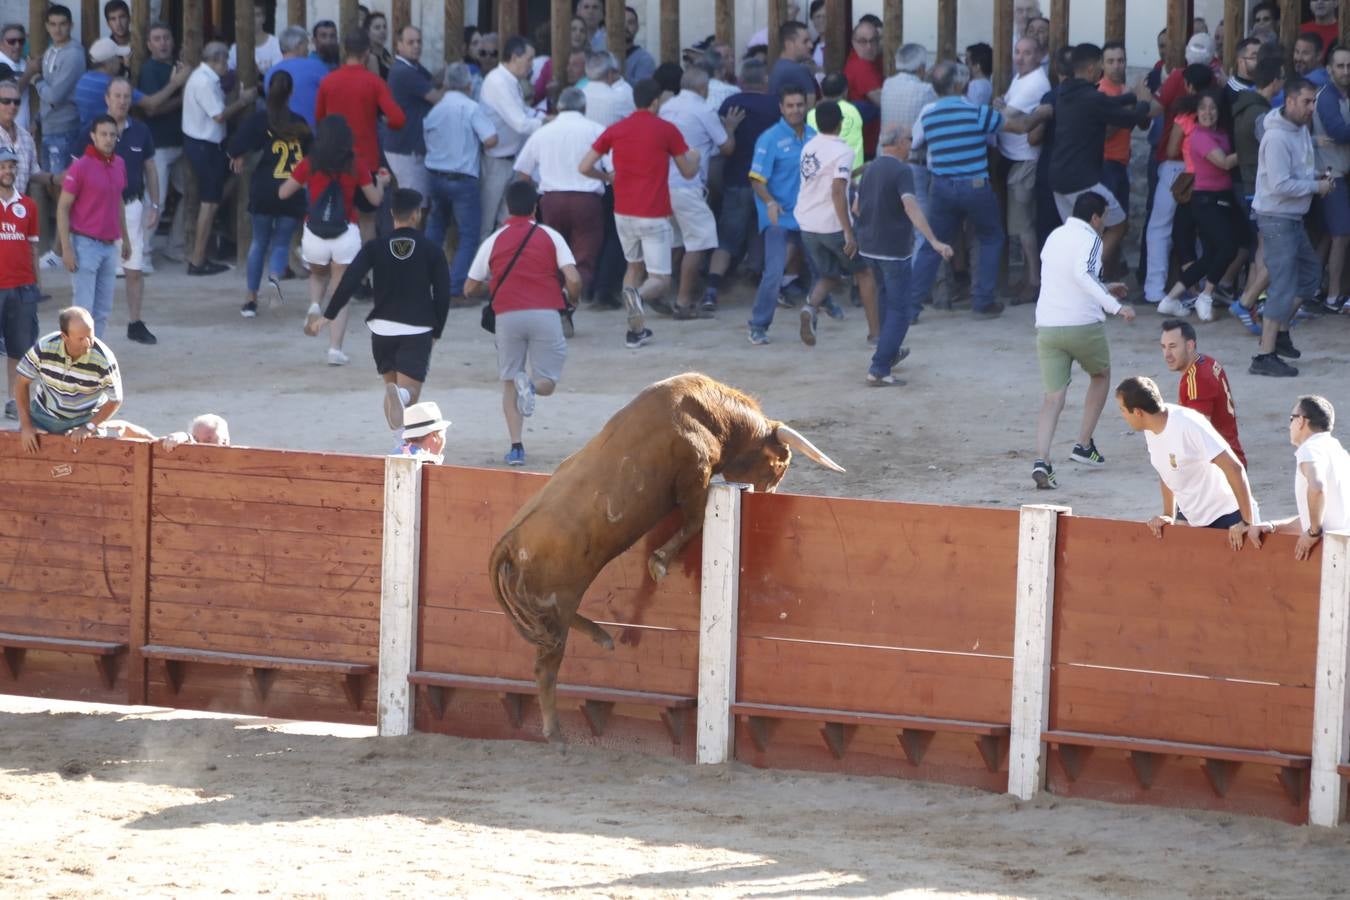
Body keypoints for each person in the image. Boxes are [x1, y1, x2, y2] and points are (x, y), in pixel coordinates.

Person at [911, 61, 1044, 319]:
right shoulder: (977, 113)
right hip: (975, 186)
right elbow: (1022, 126)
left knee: (933, 245)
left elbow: (917, 143)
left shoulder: (928, 115)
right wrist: (1043, 112)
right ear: (961, 85)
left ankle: (911, 307)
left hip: (941, 187)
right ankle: (982, 301)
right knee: (991, 237)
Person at [464, 181, 582, 466]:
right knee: (548, 382)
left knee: (508, 382)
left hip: (507, 315)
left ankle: (516, 447)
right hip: (545, 312)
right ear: (535, 206)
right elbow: (574, 278)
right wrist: (570, 300)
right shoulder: (550, 235)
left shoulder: (494, 239)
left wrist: (493, 285)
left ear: (507, 206)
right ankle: (530, 384)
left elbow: (469, 287)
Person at [310, 189, 450, 429]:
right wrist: (437, 330)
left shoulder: (375, 247)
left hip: (382, 331)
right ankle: (404, 405)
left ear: (392, 213)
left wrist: (328, 315)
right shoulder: (432, 249)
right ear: (416, 215)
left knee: (391, 389)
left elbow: (350, 280)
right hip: (416, 330)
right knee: (409, 394)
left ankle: (397, 443)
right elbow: (443, 295)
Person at [578, 77, 699, 349]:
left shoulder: (617, 129)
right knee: (659, 279)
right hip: (653, 212)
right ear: (655, 102)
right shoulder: (666, 129)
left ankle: (636, 331)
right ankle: (638, 300)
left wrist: (606, 177)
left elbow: (584, 166)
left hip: (623, 211)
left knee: (633, 267)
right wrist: (697, 156)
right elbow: (688, 171)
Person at [1031, 193, 1136, 489]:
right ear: (1095, 218)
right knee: (1101, 375)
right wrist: (1114, 306)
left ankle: (1042, 460)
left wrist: (1104, 288)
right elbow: (1081, 274)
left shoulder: (1054, 236)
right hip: (1083, 326)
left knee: (1053, 398)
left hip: (1048, 327)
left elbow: (1069, 278)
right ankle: (1083, 443)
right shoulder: (1092, 240)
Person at [280, 114, 388, 366]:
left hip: (314, 232)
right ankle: (335, 350)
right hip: (345, 232)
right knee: (341, 293)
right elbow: (374, 201)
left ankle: (315, 304)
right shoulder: (355, 165)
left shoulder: (310, 163)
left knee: (317, 275)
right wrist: (381, 183)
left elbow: (284, 192)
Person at [1115, 375, 1259, 550]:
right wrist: (1169, 513)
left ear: (1138, 412)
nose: (1122, 415)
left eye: (1123, 409)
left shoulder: (1188, 423)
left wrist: (1246, 521)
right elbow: (1165, 469)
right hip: (1196, 520)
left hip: (1230, 516)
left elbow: (1234, 468)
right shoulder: (1151, 428)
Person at [1250, 78, 1333, 377]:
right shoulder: (1276, 138)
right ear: (1289, 101)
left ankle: (1280, 333)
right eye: (1307, 102)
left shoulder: (1299, 129)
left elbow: (1296, 171)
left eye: (1314, 102)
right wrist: (1315, 185)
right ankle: (1264, 355)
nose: (1312, 108)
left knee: (1310, 277)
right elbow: (1280, 184)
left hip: (1291, 218)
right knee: (1283, 286)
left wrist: (1316, 176)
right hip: (1277, 218)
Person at [1047, 44, 1150, 284]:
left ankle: (1073, 281)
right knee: (1118, 224)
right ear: (1094, 67)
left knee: (1077, 235)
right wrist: (1143, 102)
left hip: (1058, 179)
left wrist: (1131, 95)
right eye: (1102, 66)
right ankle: (1087, 275)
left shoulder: (1065, 91)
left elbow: (1104, 102)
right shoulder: (1091, 98)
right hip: (1082, 181)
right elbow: (1131, 118)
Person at [858, 124, 950, 385]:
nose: (911, 144)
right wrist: (933, 240)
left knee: (887, 300)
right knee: (901, 309)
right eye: (909, 139)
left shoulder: (870, 168)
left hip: (870, 248)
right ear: (898, 143)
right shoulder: (901, 170)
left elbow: (856, 206)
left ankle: (888, 353)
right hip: (893, 250)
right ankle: (879, 368)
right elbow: (910, 206)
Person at [72, 78, 157, 344]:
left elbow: (150, 168)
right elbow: (73, 176)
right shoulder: (90, 130)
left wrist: (154, 204)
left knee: (134, 268)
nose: (122, 101)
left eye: (127, 96)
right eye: (117, 96)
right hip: (95, 214)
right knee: (91, 276)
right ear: (107, 98)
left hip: (130, 206)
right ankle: (83, 337)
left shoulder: (141, 131)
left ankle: (134, 321)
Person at [227, 68, 309, 318]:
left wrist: (239, 156)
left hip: (264, 187)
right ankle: (274, 278)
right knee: (281, 242)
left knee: (258, 243)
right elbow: (310, 154)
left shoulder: (259, 120)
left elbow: (235, 146)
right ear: (292, 93)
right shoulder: (300, 123)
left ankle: (251, 298)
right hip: (292, 188)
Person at [658, 66, 737, 318]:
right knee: (698, 242)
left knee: (676, 242)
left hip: (663, 184)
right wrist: (731, 127)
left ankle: (660, 292)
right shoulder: (703, 109)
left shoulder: (666, 107)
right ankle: (683, 302)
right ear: (704, 89)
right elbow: (727, 148)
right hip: (688, 185)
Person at [1153, 91, 1239, 322]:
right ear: (1197, 113)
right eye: (1203, 109)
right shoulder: (1200, 136)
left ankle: (1170, 300)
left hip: (1222, 197)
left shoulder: (1220, 133)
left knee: (1210, 256)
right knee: (1228, 247)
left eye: (1212, 108)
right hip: (1205, 200)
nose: (1208, 113)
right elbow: (1222, 162)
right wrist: (1253, 149)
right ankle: (1206, 295)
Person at [515, 86, 604, 310]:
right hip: (587, 202)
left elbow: (523, 172)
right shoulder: (596, 130)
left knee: (554, 256)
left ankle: (555, 301)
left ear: (558, 107)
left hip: (551, 200)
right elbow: (613, 169)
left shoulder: (543, 132)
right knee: (583, 258)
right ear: (584, 107)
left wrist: (532, 200)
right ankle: (568, 301)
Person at [315, 30, 405, 243]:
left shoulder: (328, 81)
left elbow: (319, 119)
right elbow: (398, 119)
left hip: (335, 160)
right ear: (367, 53)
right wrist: (384, 122)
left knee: (337, 216)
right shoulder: (374, 83)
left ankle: (341, 269)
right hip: (366, 162)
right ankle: (364, 272)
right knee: (367, 221)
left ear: (344, 50)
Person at [703, 59, 779, 310]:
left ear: (741, 81)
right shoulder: (775, 106)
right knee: (763, 232)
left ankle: (711, 290)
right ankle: (757, 279)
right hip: (768, 183)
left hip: (736, 180)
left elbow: (721, 145)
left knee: (727, 239)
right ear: (765, 81)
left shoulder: (730, 104)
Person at [795, 101, 869, 346]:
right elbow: (837, 190)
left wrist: (857, 172)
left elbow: (824, 177)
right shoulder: (843, 150)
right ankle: (876, 334)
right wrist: (849, 232)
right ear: (841, 123)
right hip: (832, 225)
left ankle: (809, 308)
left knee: (829, 275)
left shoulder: (808, 147)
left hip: (807, 223)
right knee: (864, 272)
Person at [745, 85, 813, 345]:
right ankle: (758, 326)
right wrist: (770, 202)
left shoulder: (813, 136)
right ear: (781, 109)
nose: (795, 110)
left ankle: (817, 312)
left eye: (799, 105)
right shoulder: (769, 138)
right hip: (777, 217)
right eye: (790, 106)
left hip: (807, 216)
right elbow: (756, 180)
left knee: (823, 267)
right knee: (774, 272)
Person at [424, 63, 497, 304]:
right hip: (463, 179)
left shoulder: (434, 110)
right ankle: (454, 288)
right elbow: (491, 139)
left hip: (435, 177)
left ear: (445, 84)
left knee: (435, 230)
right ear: (468, 85)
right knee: (468, 235)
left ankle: (424, 283)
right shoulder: (470, 108)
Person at [181, 42, 256, 277]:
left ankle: (201, 256)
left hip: (207, 145)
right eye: (226, 62)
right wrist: (243, 101)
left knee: (216, 197)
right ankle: (197, 260)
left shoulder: (206, 77)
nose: (228, 66)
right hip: (204, 145)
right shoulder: (203, 81)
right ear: (219, 60)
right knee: (210, 203)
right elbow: (219, 116)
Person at [57, 115, 130, 339]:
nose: (108, 139)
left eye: (112, 135)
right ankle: (77, 359)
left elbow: (118, 201)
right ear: (93, 136)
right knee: (82, 310)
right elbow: (62, 207)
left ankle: (92, 358)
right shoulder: (80, 167)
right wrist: (67, 248)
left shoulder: (119, 164)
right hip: (85, 244)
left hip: (109, 245)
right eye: (103, 134)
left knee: (102, 310)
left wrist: (125, 238)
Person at [14, 306, 120, 454]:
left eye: (90, 336)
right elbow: (21, 382)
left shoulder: (104, 359)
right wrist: (26, 425)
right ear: (64, 336)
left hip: (85, 418)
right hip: (44, 415)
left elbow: (116, 399)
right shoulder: (45, 347)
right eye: (81, 338)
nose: (88, 343)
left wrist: (89, 426)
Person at [1262, 396, 1350, 560]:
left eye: (1291, 419)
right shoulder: (1339, 452)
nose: (1289, 426)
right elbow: (1320, 513)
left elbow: (1317, 488)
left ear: (1301, 421)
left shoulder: (1310, 449)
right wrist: (1274, 526)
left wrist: (1313, 533)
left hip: (1329, 556)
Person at [999, 36, 1051, 304]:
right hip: (1016, 157)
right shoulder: (1021, 78)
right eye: (1017, 51)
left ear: (1040, 55)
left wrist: (999, 107)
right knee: (1021, 226)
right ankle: (1030, 276)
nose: (1020, 57)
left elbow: (1003, 113)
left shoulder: (1035, 82)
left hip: (1025, 160)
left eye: (1027, 53)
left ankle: (1034, 280)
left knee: (1025, 226)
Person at [27, 5, 83, 248]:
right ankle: (62, 246)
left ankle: (62, 250)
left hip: (65, 129)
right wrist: (37, 120)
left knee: (64, 191)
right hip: (50, 129)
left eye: (62, 24)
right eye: (53, 24)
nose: (58, 29)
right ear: (47, 27)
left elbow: (54, 95)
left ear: (71, 25)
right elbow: (48, 98)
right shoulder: (51, 51)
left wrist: (35, 78)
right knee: (53, 187)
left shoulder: (74, 54)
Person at [479, 37, 543, 240]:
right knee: (486, 224)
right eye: (529, 59)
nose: (532, 64)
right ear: (515, 57)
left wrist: (546, 117)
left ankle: (500, 270)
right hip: (495, 162)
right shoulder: (498, 81)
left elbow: (525, 112)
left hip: (510, 161)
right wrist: (549, 124)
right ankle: (481, 271)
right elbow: (521, 123)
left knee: (506, 222)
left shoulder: (510, 80)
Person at [1159, 318, 1246, 468]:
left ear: (1190, 345)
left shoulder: (1197, 379)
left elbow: (1196, 431)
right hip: (1228, 457)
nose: (1167, 354)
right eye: (1164, 347)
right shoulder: (1206, 362)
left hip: (1218, 467)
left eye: (1173, 346)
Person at [138, 23, 186, 266]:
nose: (163, 43)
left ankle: (175, 245)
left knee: (190, 193)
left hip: (182, 143)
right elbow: (152, 109)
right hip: (159, 145)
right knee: (157, 199)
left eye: (166, 37)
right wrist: (179, 92)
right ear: (149, 45)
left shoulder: (177, 68)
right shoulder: (150, 70)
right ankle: (142, 252)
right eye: (157, 39)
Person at [0, 146, 41, 421]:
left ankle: (15, 401)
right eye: (3, 166)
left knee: (19, 347)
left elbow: (34, 249)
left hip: (23, 286)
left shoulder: (28, 205)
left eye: (11, 166)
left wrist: (37, 285)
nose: (8, 171)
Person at [384, 26, 443, 209]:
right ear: (399, 45)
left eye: (419, 42)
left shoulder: (414, 67)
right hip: (405, 148)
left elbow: (432, 81)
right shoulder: (404, 71)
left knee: (418, 203)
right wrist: (456, 86)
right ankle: (408, 238)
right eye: (411, 42)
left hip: (408, 146)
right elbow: (437, 97)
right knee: (414, 206)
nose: (416, 46)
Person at [1313, 47, 1350, 312]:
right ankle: (1333, 296)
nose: (1346, 71)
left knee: (1328, 235)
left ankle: (1314, 288)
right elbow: (1338, 131)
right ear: (1329, 69)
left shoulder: (1341, 94)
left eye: (1349, 66)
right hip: (1330, 175)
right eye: (1340, 66)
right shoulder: (1327, 97)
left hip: (1337, 173)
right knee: (1341, 235)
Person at [266, 26, 329, 128]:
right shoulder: (316, 66)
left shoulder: (270, 73)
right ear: (299, 45)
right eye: (306, 44)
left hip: (280, 134)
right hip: (311, 134)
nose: (308, 49)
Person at [843, 20, 884, 157]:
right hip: (866, 144)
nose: (869, 46)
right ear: (853, 42)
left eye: (873, 41)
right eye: (863, 41)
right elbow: (881, 100)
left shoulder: (869, 61)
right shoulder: (861, 66)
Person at [807, 73, 863, 171]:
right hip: (854, 176)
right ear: (845, 91)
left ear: (821, 91)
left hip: (823, 176)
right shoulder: (853, 111)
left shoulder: (811, 115)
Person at [582, 51, 635, 128]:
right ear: (610, 75)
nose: (620, 78)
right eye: (617, 72)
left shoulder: (579, 95)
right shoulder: (621, 97)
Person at [770, 21, 817, 105]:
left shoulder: (777, 66)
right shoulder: (798, 70)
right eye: (805, 41)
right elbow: (810, 107)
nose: (811, 45)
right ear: (789, 44)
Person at [228, 6, 282, 76]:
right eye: (248, 15)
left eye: (257, 15)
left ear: (263, 18)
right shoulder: (235, 48)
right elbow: (229, 72)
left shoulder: (276, 43)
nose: (252, 19)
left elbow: (278, 73)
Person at [621, 6, 656, 84]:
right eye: (621, 22)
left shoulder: (645, 59)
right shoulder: (603, 55)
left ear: (637, 27)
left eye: (630, 23)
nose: (625, 26)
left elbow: (641, 90)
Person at [363, 10, 393, 81]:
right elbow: (377, 87)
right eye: (377, 28)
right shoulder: (370, 57)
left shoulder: (385, 53)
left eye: (384, 27)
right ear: (367, 32)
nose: (382, 31)